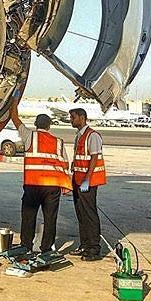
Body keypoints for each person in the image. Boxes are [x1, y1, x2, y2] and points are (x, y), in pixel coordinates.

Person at [10, 100, 71, 254]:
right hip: (52, 187)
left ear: (36, 124)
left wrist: (13, 101)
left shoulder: (30, 136)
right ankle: (46, 248)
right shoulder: (58, 142)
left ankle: (26, 246)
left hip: (33, 185)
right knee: (50, 218)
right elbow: (65, 164)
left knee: (29, 216)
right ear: (49, 126)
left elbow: (15, 119)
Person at [69, 107, 106, 261]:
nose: (71, 120)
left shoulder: (92, 136)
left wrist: (87, 179)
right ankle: (84, 244)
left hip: (87, 182)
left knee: (90, 214)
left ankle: (94, 248)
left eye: (73, 117)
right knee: (81, 214)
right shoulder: (80, 135)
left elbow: (94, 158)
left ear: (82, 118)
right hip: (78, 180)